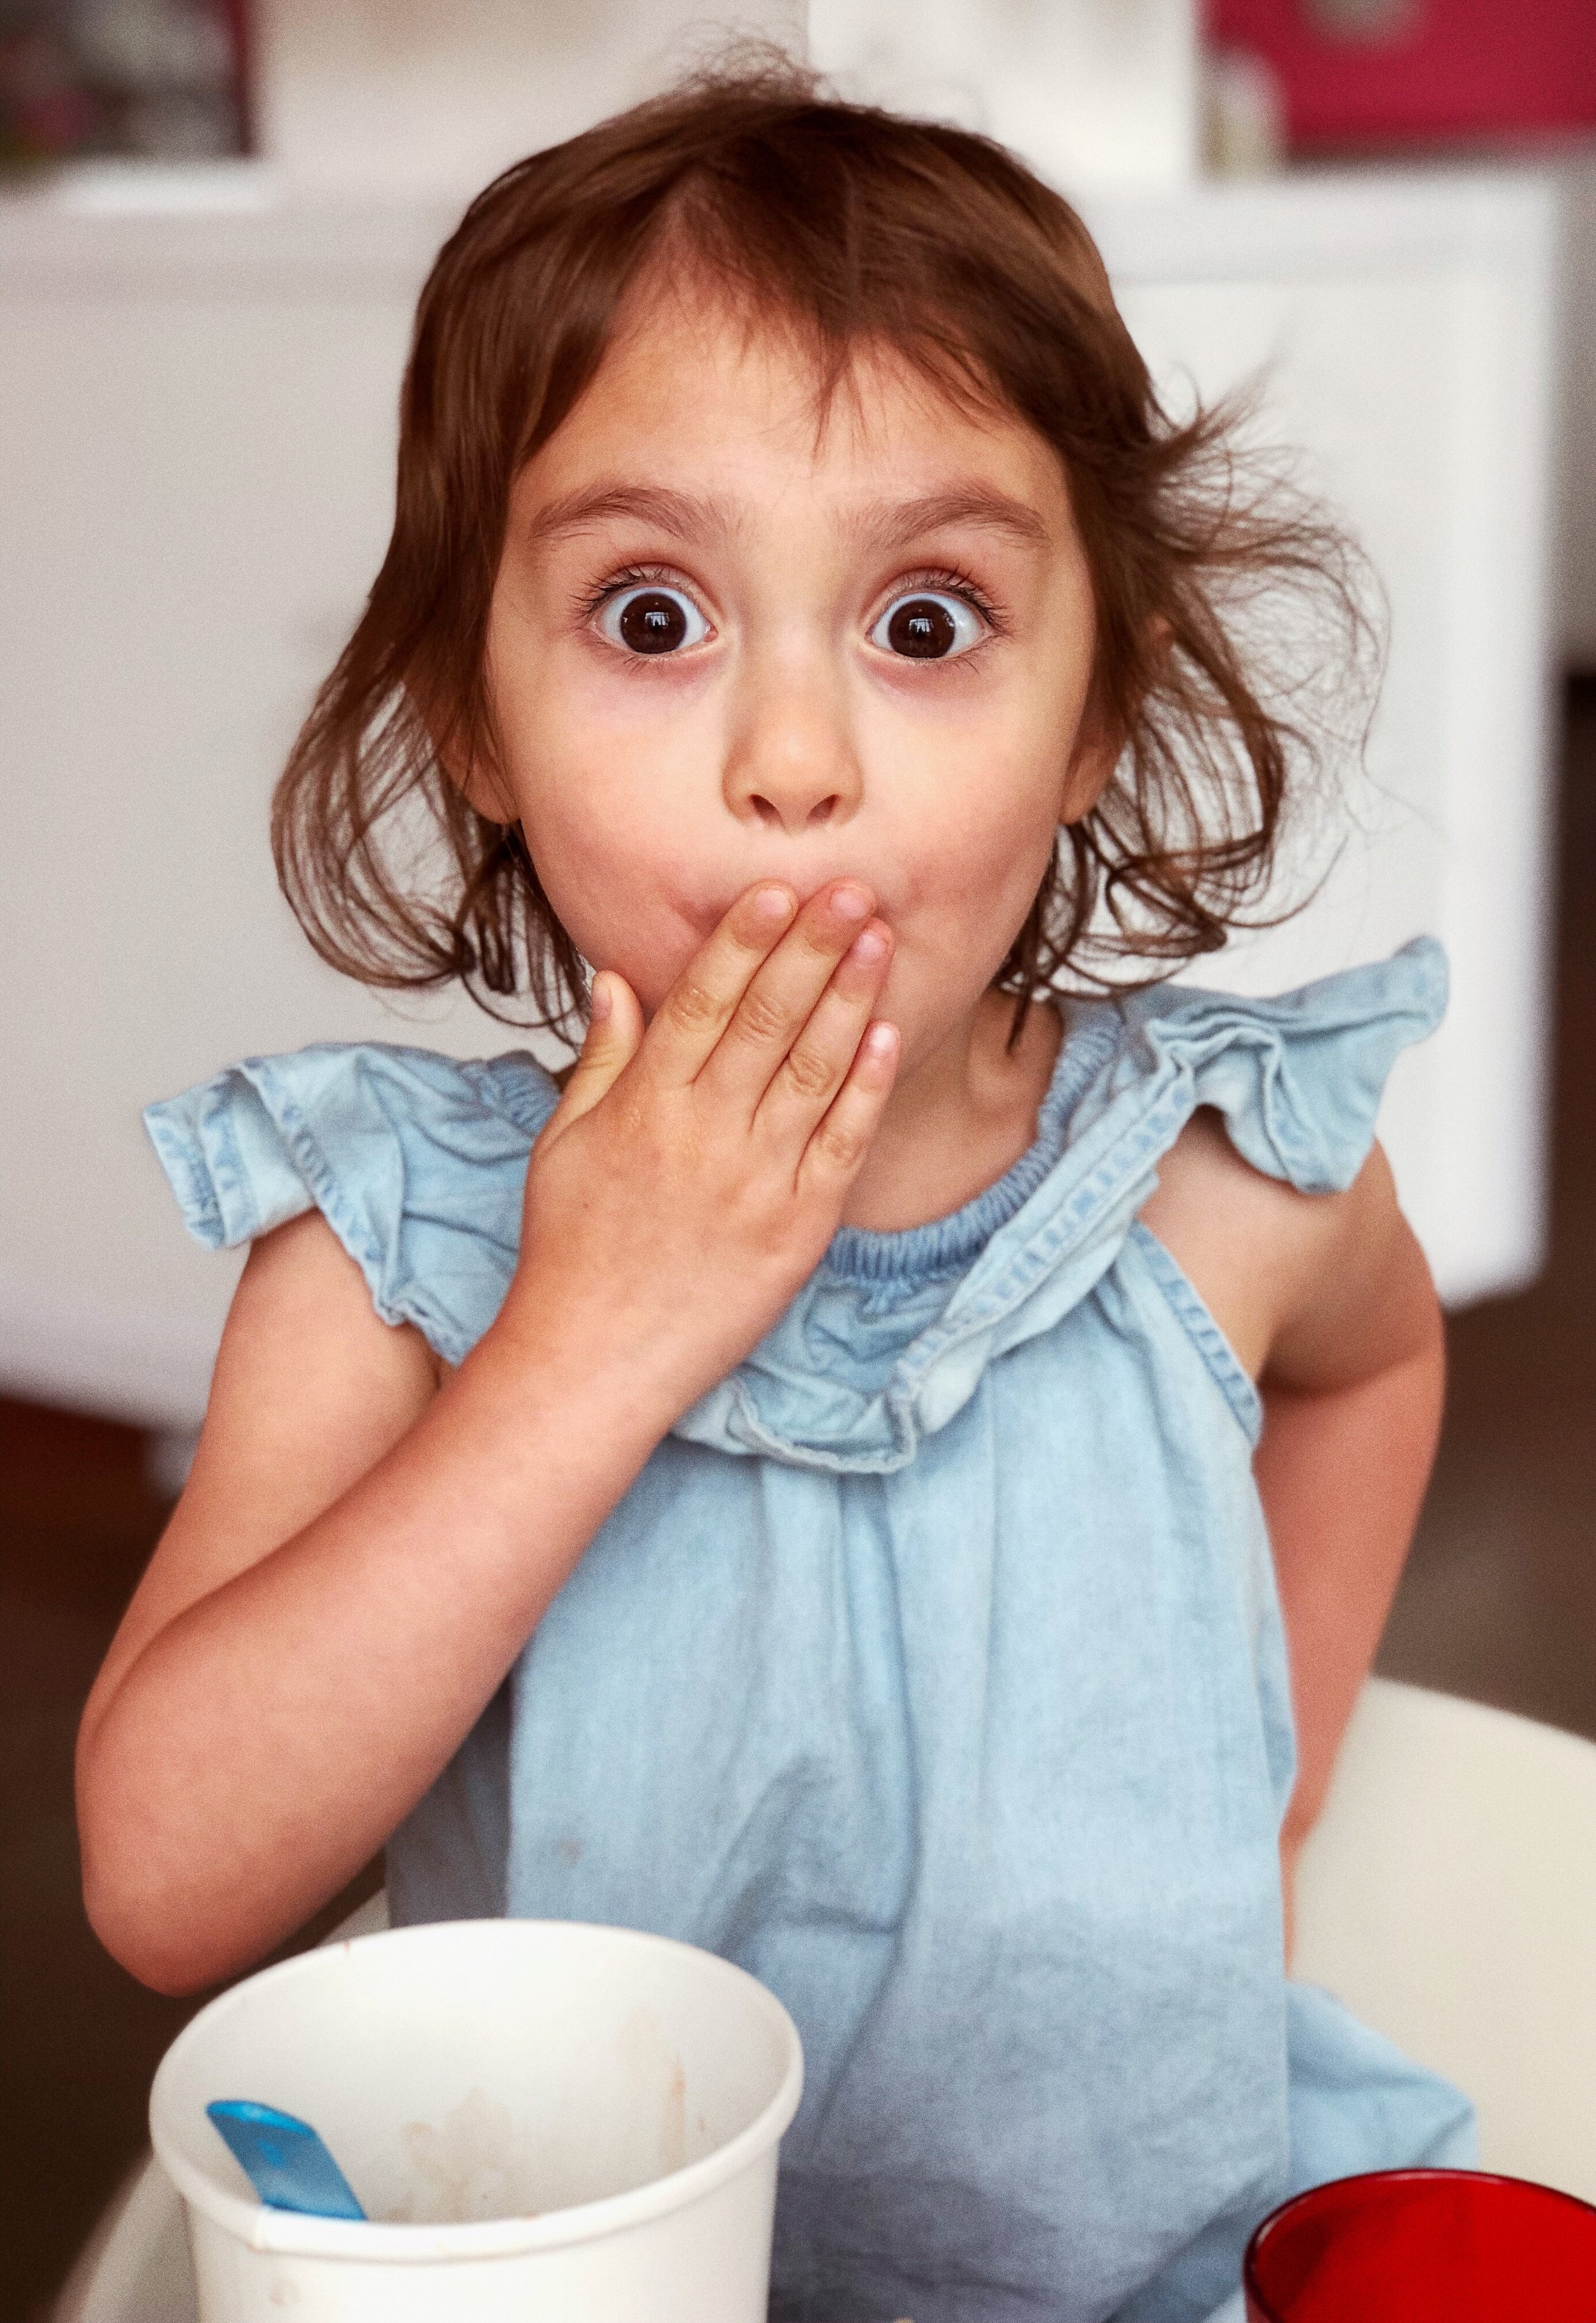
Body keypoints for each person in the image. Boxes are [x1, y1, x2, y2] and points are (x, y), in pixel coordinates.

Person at [77, 60, 1473, 2323]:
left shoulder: (1219, 1181)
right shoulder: (399, 1258)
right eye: (652, 618)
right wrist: (592, 1335)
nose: (793, 762)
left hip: (1144, 2275)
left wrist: (1271, 1793)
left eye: (927, 623)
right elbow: (164, 1885)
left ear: (1093, 701)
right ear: (472, 717)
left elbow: (1373, 1369)